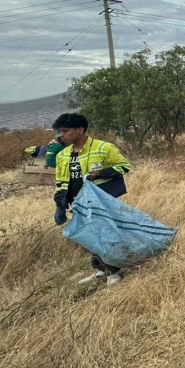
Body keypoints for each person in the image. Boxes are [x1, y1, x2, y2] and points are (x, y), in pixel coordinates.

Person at [52, 113, 131, 285]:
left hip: (100, 201)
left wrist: (101, 173)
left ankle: (113, 272)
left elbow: (124, 167)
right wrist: (60, 206)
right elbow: (61, 182)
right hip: (77, 203)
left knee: (103, 234)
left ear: (80, 130)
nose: (61, 136)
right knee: (88, 237)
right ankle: (102, 269)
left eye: (65, 131)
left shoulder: (104, 147)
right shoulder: (62, 155)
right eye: (60, 132)